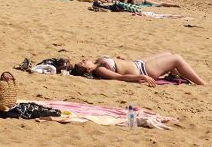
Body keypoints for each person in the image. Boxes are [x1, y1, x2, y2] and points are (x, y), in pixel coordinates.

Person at [71, 52, 206, 86]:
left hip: (139, 63)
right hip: (144, 70)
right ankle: (202, 83)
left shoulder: (97, 62)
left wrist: (119, 59)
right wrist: (142, 77)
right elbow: (120, 77)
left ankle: (179, 76)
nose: (83, 60)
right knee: (176, 58)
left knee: (168, 54)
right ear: (88, 70)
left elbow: (119, 68)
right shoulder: (100, 70)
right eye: (82, 64)